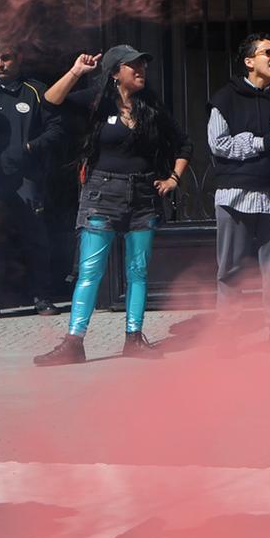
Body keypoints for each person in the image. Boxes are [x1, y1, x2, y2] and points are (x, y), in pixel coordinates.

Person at [31, 45, 191, 366]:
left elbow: (183, 142)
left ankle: (134, 337)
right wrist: (77, 71)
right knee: (91, 271)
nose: (140, 71)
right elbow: (50, 102)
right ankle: (74, 343)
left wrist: (173, 178)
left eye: (143, 65)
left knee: (138, 270)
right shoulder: (96, 101)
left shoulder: (151, 107)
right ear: (116, 72)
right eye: (133, 66)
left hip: (143, 194)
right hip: (102, 194)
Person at [208, 33, 270, 347]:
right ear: (249, 61)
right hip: (234, 193)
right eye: (268, 52)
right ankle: (227, 332)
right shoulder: (225, 97)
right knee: (231, 269)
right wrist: (264, 142)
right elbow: (218, 144)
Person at [0, 42, 65, 315]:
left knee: (35, 239)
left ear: (18, 58)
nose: (0, 64)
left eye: (6, 58)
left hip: (26, 180)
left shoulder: (36, 91)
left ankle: (42, 297)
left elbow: (57, 131)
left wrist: (30, 148)